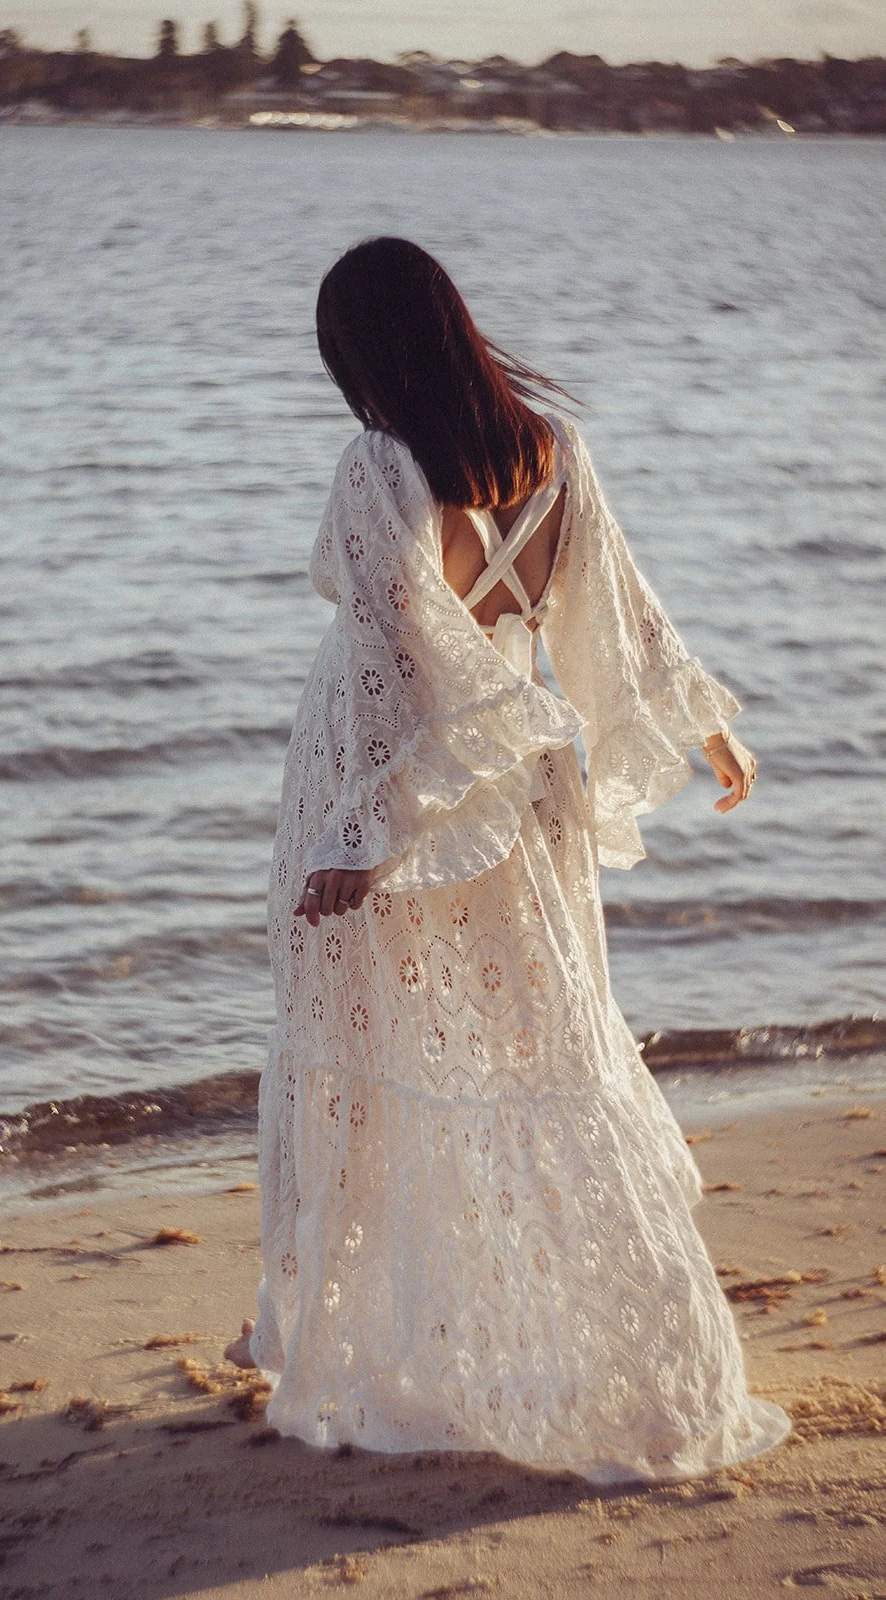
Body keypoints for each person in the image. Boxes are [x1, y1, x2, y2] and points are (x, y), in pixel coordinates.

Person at [224, 236, 790, 1484]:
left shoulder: (381, 463)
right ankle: (568, 1347)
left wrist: (362, 835)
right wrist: (706, 727)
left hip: (388, 804)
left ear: (366, 352)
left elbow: (396, 661)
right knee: (544, 1054)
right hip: (519, 802)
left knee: (374, 1063)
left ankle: (372, 1338)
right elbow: (619, 628)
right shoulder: (551, 453)